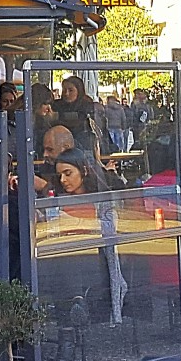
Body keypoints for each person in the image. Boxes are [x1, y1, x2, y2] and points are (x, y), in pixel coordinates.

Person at [54, 147, 128, 325]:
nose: (63, 180)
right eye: (60, 175)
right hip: (65, 258)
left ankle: (78, 305)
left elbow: (110, 229)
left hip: (93, 259)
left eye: (68, 173)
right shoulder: (58, 200)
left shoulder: (101, 200)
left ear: (84, 171)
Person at [53, 75, 98, 149]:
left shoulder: (87, 105)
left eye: (70, 90)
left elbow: (80, 116)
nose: (66, 93)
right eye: (64, 90)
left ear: (79, 91)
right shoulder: (56, 105)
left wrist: (57, 116)